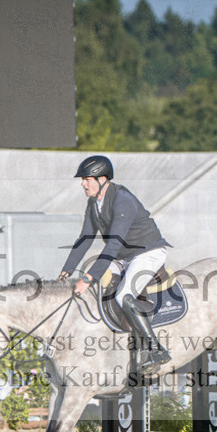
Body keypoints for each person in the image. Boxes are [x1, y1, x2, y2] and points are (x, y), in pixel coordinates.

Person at [59, 155, 172, 374]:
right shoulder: (94, 203)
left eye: (87, 179)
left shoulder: (122, 199)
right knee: (97, 285)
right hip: (123, 256)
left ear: (102, 179)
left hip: (147, 252)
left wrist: (87, 278)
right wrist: (67, 269)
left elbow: (112, 246)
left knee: (122, 296)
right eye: (83, 179)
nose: (83, 184)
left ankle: (156, 349)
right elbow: (85, 237)